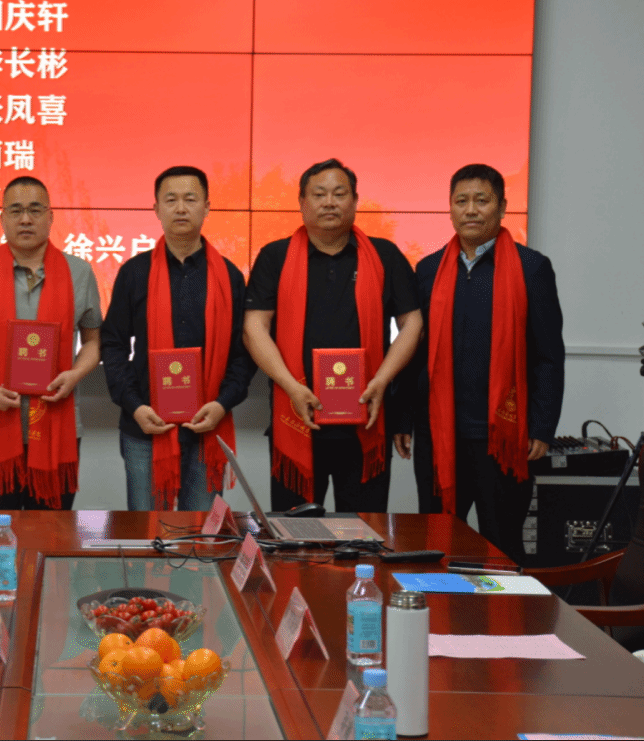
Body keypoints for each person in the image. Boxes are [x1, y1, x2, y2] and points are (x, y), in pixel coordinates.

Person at [395, 163, 564, 563]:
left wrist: (542, 426)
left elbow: (548, 355)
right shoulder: (429, 269)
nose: (471, 210)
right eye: (461, 201)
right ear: (450, 209)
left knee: (501, 547)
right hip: (438, 433)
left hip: (502, 437)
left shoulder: (532, 268)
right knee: (436, 544)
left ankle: (503, 607)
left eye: (482, 200)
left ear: (502, 207)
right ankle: (438, 606)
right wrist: (402, 418)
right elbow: (413, 350)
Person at [243, 158, 422, 511]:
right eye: (319, 194)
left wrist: (382, 381)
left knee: (362, 532)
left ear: (355, 201)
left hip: (365, 420)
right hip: (296, 416)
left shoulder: (384, 255)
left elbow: (413, 323)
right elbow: (253, 328)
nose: (329, 202)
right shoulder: (275, 256)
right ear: (302, 202)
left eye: (339, 194)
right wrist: (290, 386)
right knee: (294, 533)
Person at [101, 166, 255, 510]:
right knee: (147, 531)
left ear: (207, 207)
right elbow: (112, 345)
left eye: (190, 199)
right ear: (156, 209)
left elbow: (243, 354)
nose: (181, 208)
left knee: (200, 534)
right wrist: (135, 406)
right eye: (171, 200)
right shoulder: (134, 273)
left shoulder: (229, 276)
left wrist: (222, 404)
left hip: (206, 427)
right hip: (146, 427)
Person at [0, 175, 101, 510]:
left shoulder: (79, 272)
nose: (26, 219)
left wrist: (75, 375)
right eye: (16, 211)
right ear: (2, 218)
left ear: (51, 216)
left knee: (51, 530)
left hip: (58, 423)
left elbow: (93, 340)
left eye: (35, 210)